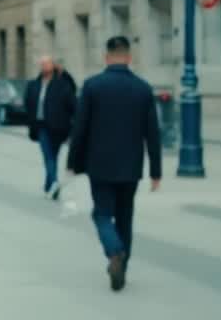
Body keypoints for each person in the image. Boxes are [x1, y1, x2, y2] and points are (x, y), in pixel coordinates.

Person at [68, 36, 161, 293]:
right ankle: (122, 266)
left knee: (101, 214)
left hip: (99, 165)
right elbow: (152, 133)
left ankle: (114, 251)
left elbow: (80, 128)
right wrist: (156, 172)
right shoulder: (143, 89)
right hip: (130, 167)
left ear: (106, 57)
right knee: (125, 217)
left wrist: (73, 161)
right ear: (129, 58)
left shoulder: (92, 86)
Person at [25, 55, 77, 199]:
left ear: (53, 66)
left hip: (59, 127)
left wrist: (64, 72)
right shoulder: (35, 84)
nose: (44, 66)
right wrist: (30, 120)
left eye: (47, 63)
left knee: (53, 156)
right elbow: (28, 102)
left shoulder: (62, 84)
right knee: (48, 155)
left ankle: (49, 185)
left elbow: (73, 101)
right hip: (41, 126)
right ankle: (54, 183)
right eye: (42, 64)